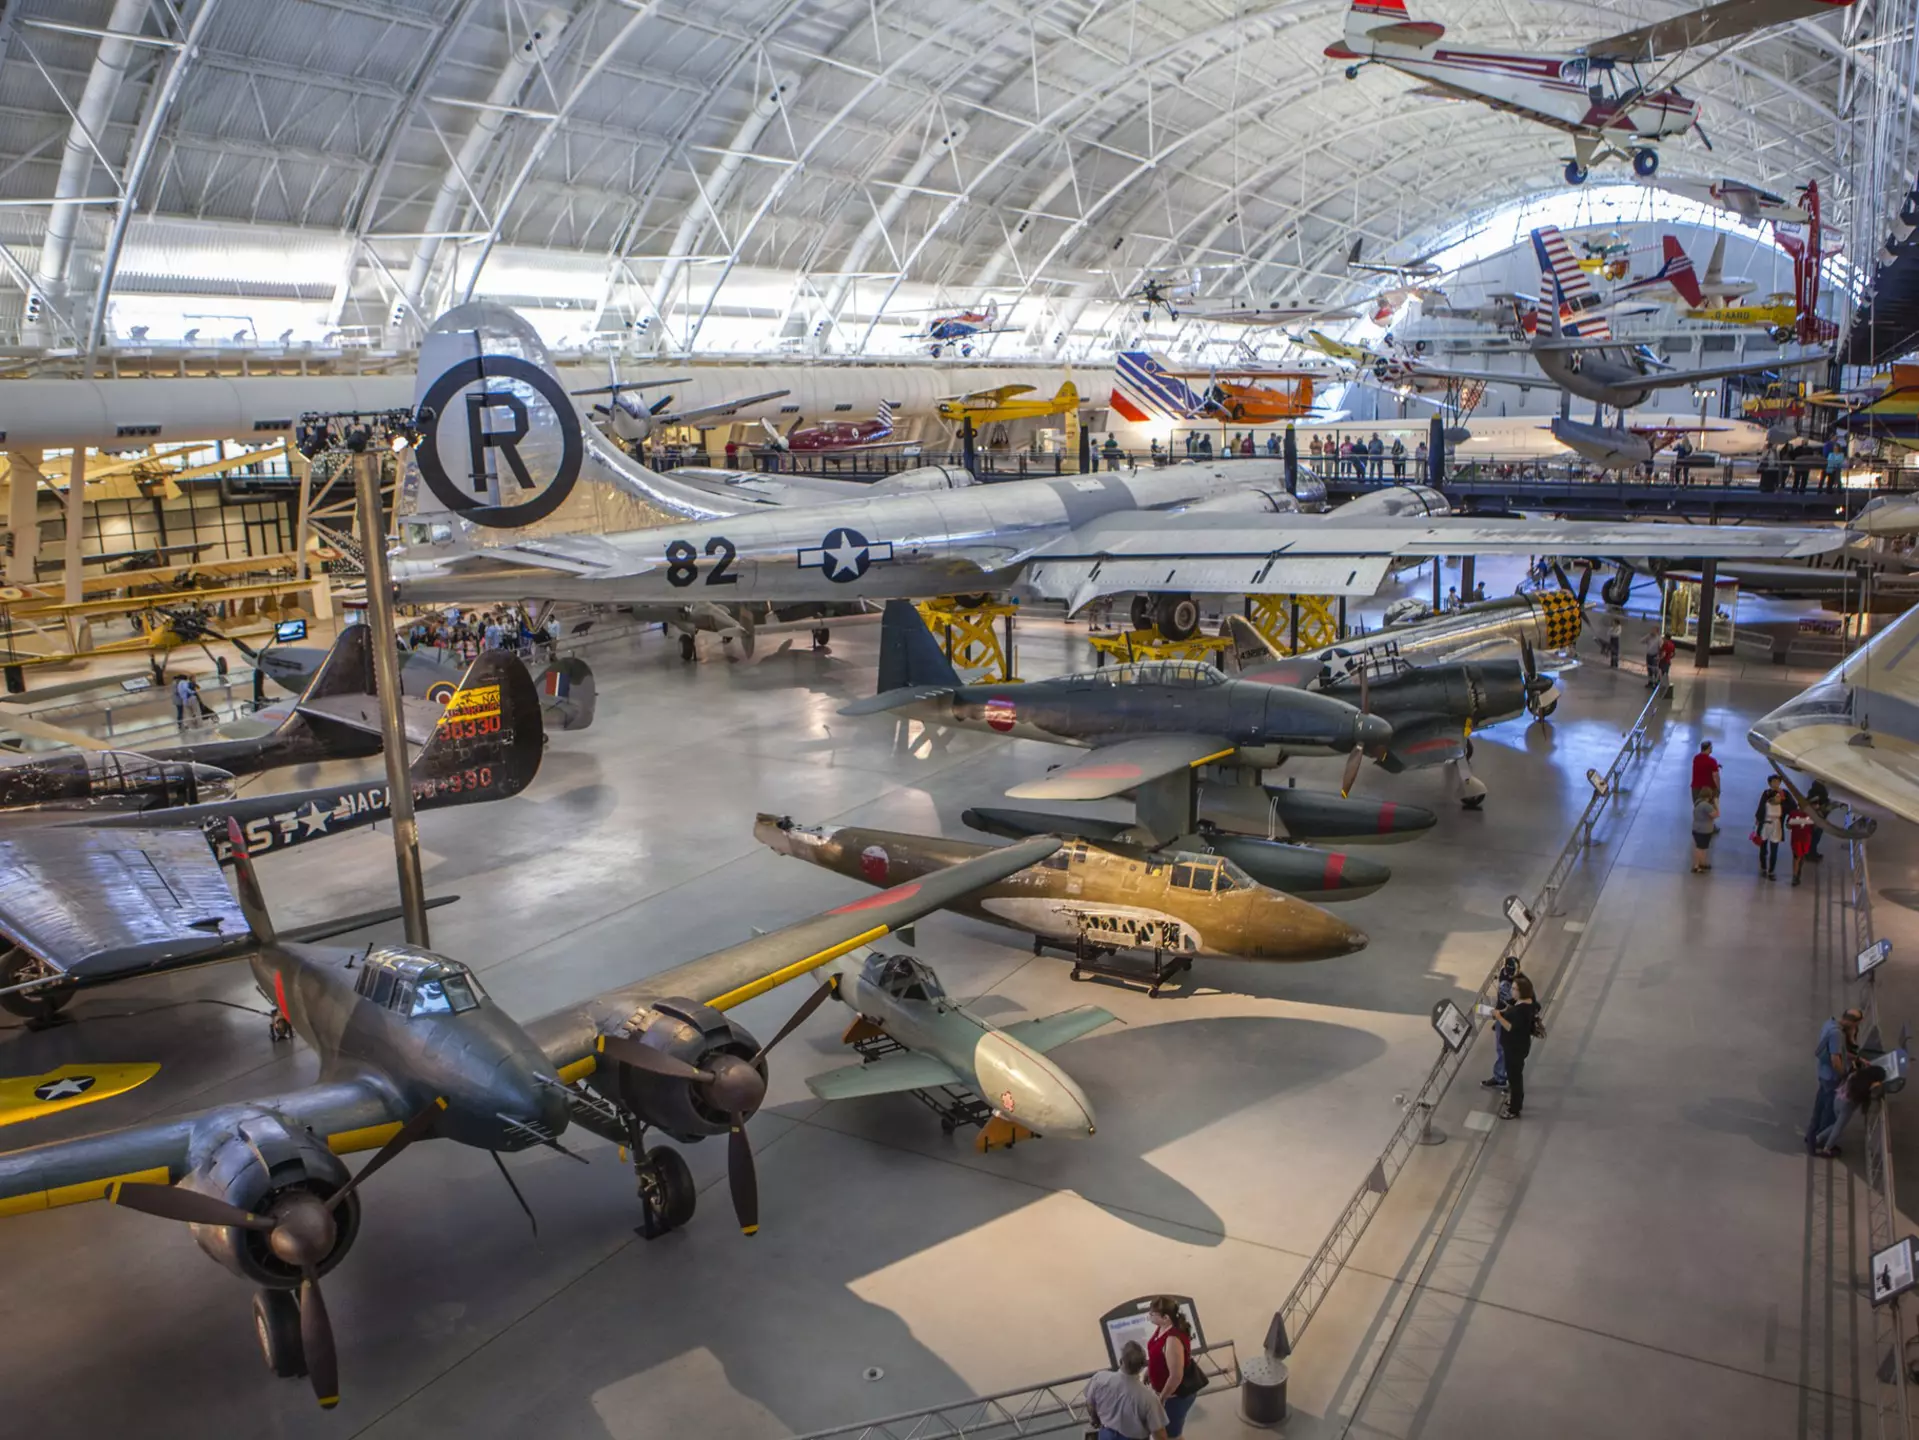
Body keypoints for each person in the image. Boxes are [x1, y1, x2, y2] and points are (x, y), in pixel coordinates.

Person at [1084, 1341, 1170, 1440]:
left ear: (1121, 1361)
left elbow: (1090, 1404)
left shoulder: (1099, 1379)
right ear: (1142, 1366)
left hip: (1106, 1435)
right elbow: (1160, 1434)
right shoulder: (1149, 1398)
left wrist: (1095, 1419)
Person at [1807, 1009, 1862, 1153]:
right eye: (1856, 1025)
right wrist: (1843, 1075)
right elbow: (1835, 1059)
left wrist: (1855, 1058)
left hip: (1823, 1073)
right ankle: (1821, 1140)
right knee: (1830, 1111)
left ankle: (1811, 1135)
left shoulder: (1829, 1023)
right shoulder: (1837, 1034)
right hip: (1831, 1077)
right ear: (1851, 1022)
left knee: (1819, 1107)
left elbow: (1839, 1051)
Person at [1145, 1298, 1199, 1438]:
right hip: (1166, 1393)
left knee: (1172, 1434)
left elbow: (1176, 1376)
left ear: (1165, 1318)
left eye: (1152, 1314)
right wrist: (1148, 1370)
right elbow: (1156, 1352)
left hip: (1174, 1398)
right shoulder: (1162, 1327)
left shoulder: (1172, 1340)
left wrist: (1162, 1399)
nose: (1149, 1316)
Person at [1491, 974, 1540, 1119]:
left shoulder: (1522, 1011)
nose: (1511, 991)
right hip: (1517, 1046)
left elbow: (1511, 1027)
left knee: (1514, 1078)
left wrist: (1499, 1017)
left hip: (1515, 1048)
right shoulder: (1527, 1003)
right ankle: (1515, 1100)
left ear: (1521, 991)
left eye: (1514, 989)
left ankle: (1514, 1108)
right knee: (1514, 1076)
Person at [1815, 1061, 1886, 1157]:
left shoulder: (1856, 1074)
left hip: (1838, 1099)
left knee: (1836, 1125)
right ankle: (1827, 1148)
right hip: (1846, 1107)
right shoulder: (1868, 1086)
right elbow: (1874, 1090)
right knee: (1838, 1128)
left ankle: (1818, 1138)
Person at [1481, 956, 1523, 1091]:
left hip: (1510, 1019)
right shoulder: (1504, 974)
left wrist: (1502, 1013)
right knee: (1501, 1049)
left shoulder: (1521, 982)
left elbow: (1517, 1004)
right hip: (1502, 1016)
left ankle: (1508, 1080)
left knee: (1508, 1050)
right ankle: (1501, 1077)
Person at [1755, 774, 1787, 879]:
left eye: (1777, 782)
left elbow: (1791, 806)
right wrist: (1758, 820)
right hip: (1765, 823)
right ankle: (1763, 867)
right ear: (1770, 783)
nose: (1775, 784)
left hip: (1776, 823)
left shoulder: (1784, 794)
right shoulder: (1766, 793)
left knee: (1774, 849)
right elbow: (1761, 807)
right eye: (1773, 782)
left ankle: (1771, 870)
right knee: (1763, 848)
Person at [1788, 798, 1816, 886]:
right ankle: (1795, 876)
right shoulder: (1794, 814)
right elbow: (1788, 825)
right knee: (1797, 857)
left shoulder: (1810, 815)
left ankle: (1797, 874)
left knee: (1801, 857)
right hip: (1797, 840)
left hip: (1805, 840)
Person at [1691, 791, 1718, 873]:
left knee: (1702, 847)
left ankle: (1702, 863)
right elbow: (1716, 815)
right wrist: (1716, 805)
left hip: (1697, 828)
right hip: (1703, 830)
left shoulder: (1697, 802)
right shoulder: (1706, 806)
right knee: (1700, 848)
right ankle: (1696, 865)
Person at [1806, 779, 1831, 861]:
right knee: (1815, 837)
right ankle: (1811, 854)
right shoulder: (1820, 792)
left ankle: (1810, 853)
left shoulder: (1813, 791)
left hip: (1816, 817)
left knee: (1814, 837)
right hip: (1818, 818)